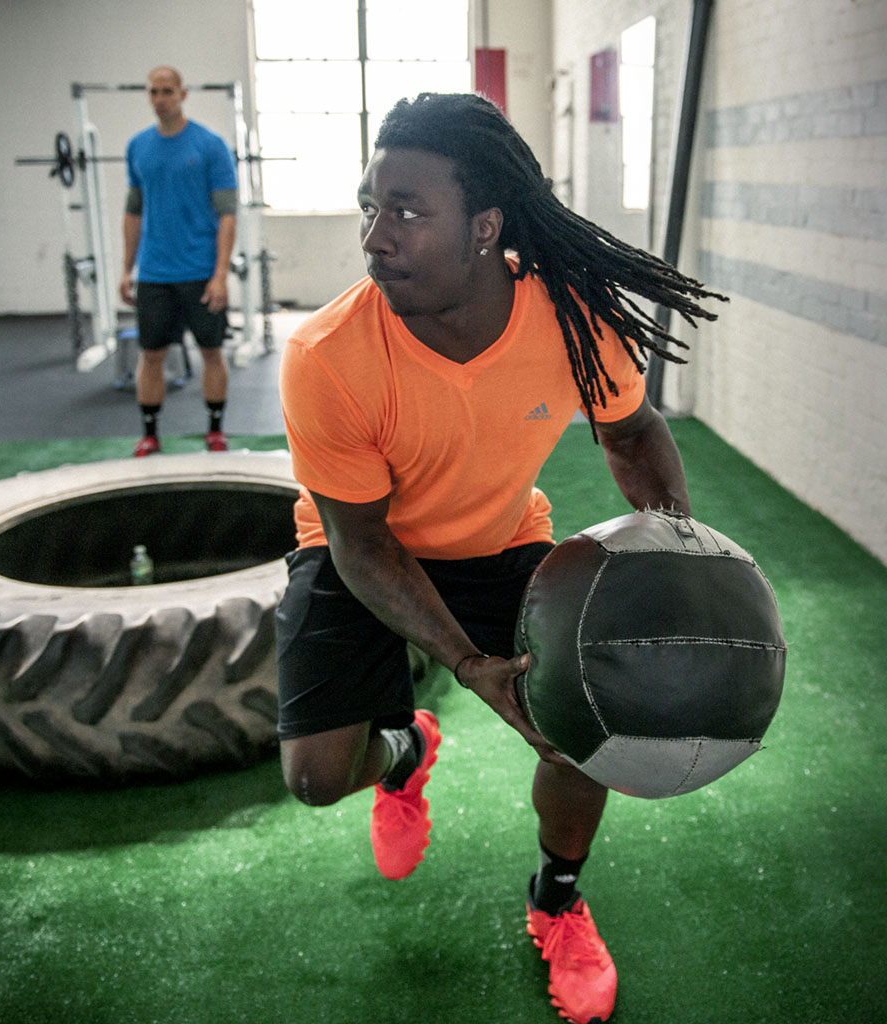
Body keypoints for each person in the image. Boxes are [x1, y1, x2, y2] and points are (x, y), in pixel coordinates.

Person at [276, 93, 725, 1024]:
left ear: (485, 226)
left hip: (503, 539)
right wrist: (470, 668)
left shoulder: (571, 316)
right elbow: (363, 546)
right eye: (370, 206)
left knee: (579, 727)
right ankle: (406, 745)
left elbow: (633, 433)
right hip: (361, 553)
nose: (375, 235)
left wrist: (683, 551)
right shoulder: (326, 355)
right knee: (317, 780)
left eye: (405, 210)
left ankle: (557, 898)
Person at [120, 65, 238, 455]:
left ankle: (215, 430)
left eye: (167, 91)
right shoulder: (138, 147)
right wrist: (126, 268)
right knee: (151, 355)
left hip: (200, 271)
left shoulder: (210, 146)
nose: (160, 99)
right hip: (154, 273)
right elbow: (134, 211)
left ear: (183, 94)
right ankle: (150, 434)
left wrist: (220, 274)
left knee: (211, 352)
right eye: (153, 92)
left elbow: (227, 214)